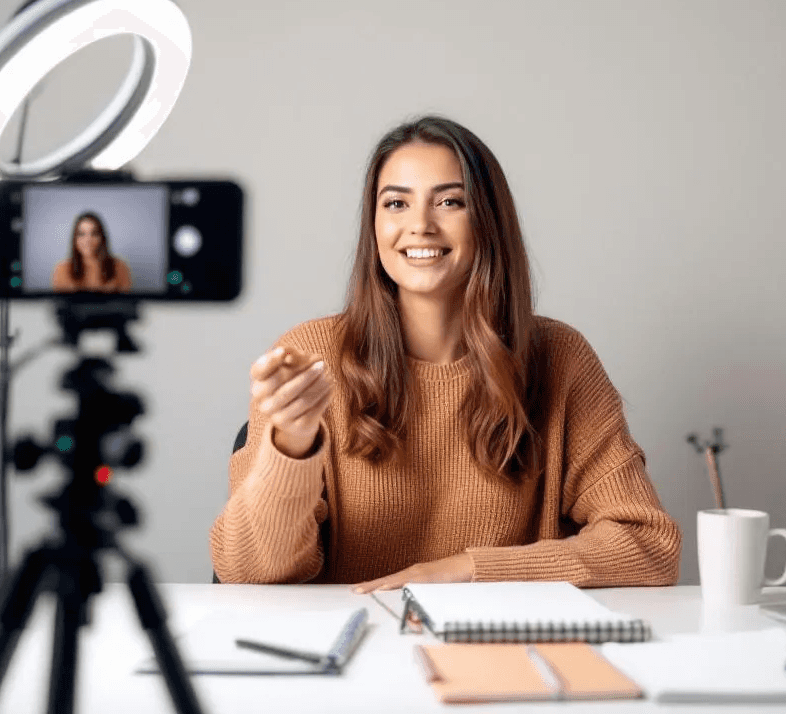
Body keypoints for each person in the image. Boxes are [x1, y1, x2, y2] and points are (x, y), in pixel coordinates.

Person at [210, 115, 681, 592]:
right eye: (396, 203)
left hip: (498, 654)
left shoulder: (560, 357)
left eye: (450, 202)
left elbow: (648, 546)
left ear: (488, 221)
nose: (420, 226)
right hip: (353, 650)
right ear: (374, 224)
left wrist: (465, 570)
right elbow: (246, 570)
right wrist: (292, 444)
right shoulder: (312, 356)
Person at [51, 211, 133, 293]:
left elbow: (127, 303)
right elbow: (59, 303)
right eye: (81, 234)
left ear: (102, 238)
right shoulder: (62, 269)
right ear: (75, 239)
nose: (88, 240)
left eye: (94, 233)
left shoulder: (120, 267)